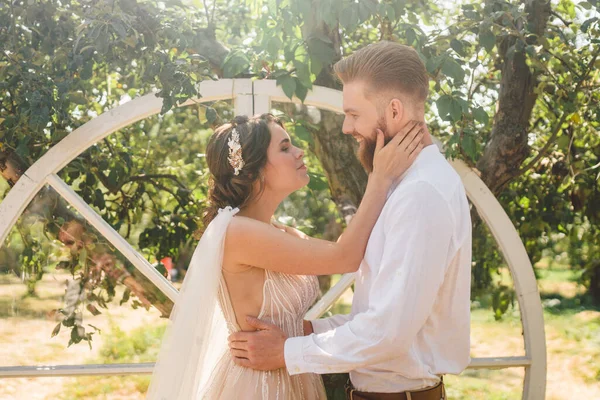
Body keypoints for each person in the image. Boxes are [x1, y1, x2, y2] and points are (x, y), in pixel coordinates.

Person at [228, 41, 472, 400]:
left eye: (355, 114)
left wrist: (286, 353)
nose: (346, 127)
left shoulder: (421, 194)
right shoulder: (406, 184)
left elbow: (388, 331)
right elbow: (380, 313)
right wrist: (306, 331)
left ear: (393, 110)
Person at [146, 111, 424, 399]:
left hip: (289, 374)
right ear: (253, 170)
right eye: (284, 147)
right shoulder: (237, 232)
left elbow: (341, 249)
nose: (299, 151)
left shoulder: (279, 231)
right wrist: (380, 179)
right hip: (256, 386)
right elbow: (345, 257)